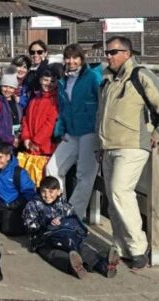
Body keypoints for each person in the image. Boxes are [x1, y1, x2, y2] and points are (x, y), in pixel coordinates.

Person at [97, 36, 159, 269]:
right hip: (108, 145)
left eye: (113, 52)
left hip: (132, 144)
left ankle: (138, 248)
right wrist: (98, 145)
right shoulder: (107, 81)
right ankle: (121, 246)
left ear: (127, 53)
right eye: (107, 52)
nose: (109, 56)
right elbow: (100, 117)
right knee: (113, 200)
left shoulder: (139, 75)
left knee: (121, 192)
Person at [45, 44, 102, 219]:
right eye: (68, 58)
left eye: (75, 57)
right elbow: (63, 109)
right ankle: (59, 209)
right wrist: (60, 130)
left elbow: (102, 102)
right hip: (71, 132)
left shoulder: (92, 77)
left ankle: (73, 215)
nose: (71, 61)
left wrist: (100, 128)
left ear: (82, 59)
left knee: (84, 175)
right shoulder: (63, 81)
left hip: (89, 131)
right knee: (52, 169)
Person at [23, 176, 119, 279]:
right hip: (44, 239)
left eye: (51, 192)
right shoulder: (33, 205)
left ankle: (104, 266)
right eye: (44, 191)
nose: (47, 195)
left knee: (81, 247)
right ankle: (74, 267)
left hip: (65, 234)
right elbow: (29, 224)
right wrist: (47, 223)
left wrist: (82, 230)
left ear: (58, 192)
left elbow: (73, 217)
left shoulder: (63, 203)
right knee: (55, 254)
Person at [19, 67, 60, 185]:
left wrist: (36, 142)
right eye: (46, 80)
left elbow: (50, 123)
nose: (49, 84)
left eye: (52, 81)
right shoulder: (34, 99)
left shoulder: (55, 100)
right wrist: (26, 137)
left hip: (45, 148)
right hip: (31, 146)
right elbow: (26, 119)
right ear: (40, 80)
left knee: (44, 180)